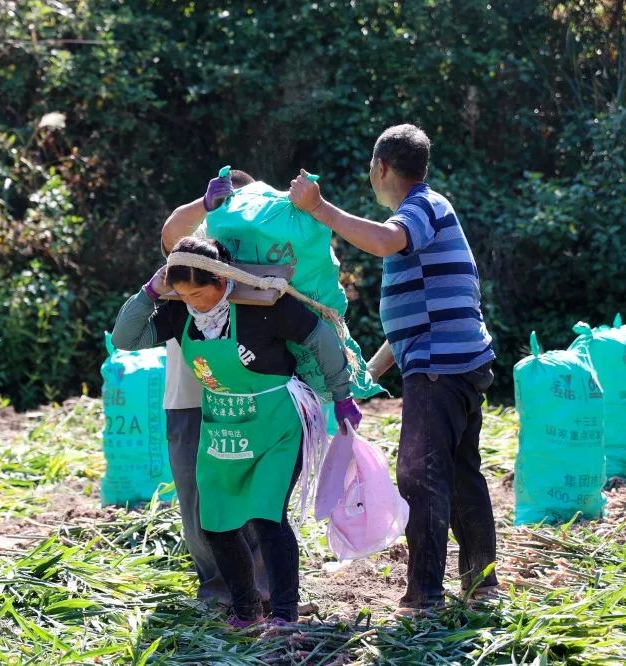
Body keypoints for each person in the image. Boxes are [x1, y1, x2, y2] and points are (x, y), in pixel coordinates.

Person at [288, 124, 499, 616]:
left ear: (381, 167)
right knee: (461, 473)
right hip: (456, 363)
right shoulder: (429, 212)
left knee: (420, 476)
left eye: (371, 168)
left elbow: (385, 241)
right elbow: (417, 320)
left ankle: (425, 596)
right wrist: (367, 374)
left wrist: (320, 209)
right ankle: (481, 583)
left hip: (439, 369)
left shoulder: (421, 208)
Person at [111, 237, 361, 626]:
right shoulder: (180, 314)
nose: (193, 302)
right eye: (183, 294)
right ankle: (247, 611)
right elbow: (125, 339)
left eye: (199, 293)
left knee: (267, 518)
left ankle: (284, 616)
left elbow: (321, 338)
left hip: (276, 425)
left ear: (221, 279)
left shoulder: (263, 306)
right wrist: (150, 292)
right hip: (223, 429)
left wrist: (343, 396)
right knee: (217, 524)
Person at [158, 170, 271, 609]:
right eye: (230, 205)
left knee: (253, 492)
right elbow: (170, 233)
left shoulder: (262, 257)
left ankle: (262, 587)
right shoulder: (197, 251)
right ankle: (217, 589)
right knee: (196, 497)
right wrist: (204, 205)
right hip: (189, 397)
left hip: (248, 397)